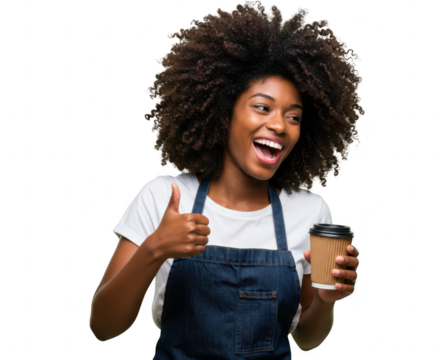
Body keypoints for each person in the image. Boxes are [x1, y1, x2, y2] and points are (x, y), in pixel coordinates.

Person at [89, 1, 364, 358]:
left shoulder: (309, 211)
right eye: (262, 107)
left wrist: (326, 300)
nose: (280, 125)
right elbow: (104, 327)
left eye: (293, 117)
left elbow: (308, 338)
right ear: (224, 111)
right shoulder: (164, 195)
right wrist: (154, 249)